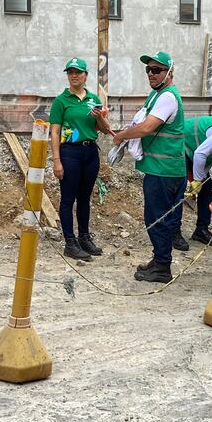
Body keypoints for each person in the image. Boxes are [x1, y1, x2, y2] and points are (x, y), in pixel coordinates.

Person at [113, 51, 186, 283]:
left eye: (157, 70)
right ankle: (159, 260)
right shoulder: (158, 96)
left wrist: (122, 136)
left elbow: (146, 128)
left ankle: (162, 267)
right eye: (149, 70)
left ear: (169, 73)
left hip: (163, 171)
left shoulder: (167, 97)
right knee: (157, 217)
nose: (151, 74)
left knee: (157, 219)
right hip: (161, 169)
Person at [49, 57, 111, 259]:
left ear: (85, 75)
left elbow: (104, 129)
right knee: (68, 199)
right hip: (70, 153)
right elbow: (55, 132)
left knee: (85, 198)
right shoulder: (61, 101)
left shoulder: (94, 99)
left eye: (78, 72)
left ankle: (84, 237)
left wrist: (99, 116)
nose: (74, 76)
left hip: (90, 152)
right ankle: (70, 242)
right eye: (70, 72)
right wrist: (57, 160)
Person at [183, 115, 212, 246]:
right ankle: (173, 232)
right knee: (177, 186)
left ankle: (201, 230)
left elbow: (210, 157)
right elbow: (200, 154)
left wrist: (200, 178)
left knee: (206, 187)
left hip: (195, 149)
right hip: (183, 144)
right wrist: (197, 179)